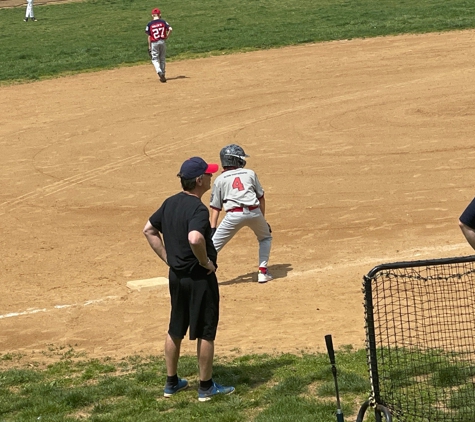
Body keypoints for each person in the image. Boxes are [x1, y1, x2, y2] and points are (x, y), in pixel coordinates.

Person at [143, 156, 235, 402]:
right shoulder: (197, 209)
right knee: (206, 330)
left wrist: (168, 258)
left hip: (176, 277)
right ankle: (206, 387)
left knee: (176, 327)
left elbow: (149, 229)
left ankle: (171, 382)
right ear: (198, 180)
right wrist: (205, 261)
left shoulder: (170, 203)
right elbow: (196, 238)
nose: (211, 177)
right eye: (208, 174)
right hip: (199, 279)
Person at [210, 144, 273, 283]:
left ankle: (201, 272)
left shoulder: (220, 179)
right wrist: (263, 220)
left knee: (212, 247)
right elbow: (261, 198)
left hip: (234, 215)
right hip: (254, 212)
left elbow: (216, 207)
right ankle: (262, 272)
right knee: (265, 238)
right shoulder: (250, 173)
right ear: (235, 160)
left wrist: (212, 229)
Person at [145, 8, 172, 83]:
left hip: (154, 42)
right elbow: (170, 29)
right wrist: (166, 36)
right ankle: (163, 73)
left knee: (155, 59)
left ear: (152, 15)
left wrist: (149, 46)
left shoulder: (150, 24)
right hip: (162, 41)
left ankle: (159, 71)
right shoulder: (163, 22)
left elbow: (149, 36)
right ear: (160, 15)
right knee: (162, 58)